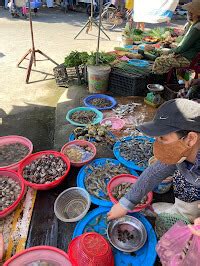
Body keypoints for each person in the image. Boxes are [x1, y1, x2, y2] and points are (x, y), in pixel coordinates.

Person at [108, 98, 200, 222]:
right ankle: (178, 209)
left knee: (191, 214)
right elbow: (155, 172)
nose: (157, 144)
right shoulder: (180, 151)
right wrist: (125, 203)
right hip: (186, 189)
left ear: (190, 138)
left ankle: (188, 216)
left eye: (162, 138)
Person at [152, 0, 200, 75]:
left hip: (189, 58)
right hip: (189, 55)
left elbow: (182, 48)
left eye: (191, 12)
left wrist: (168, 52)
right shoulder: (194, 24)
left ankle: (157, 83)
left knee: (159, 60)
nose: (189, 14)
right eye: (189, 12)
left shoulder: (197, 28)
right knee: (164, 56)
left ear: (198, 14)